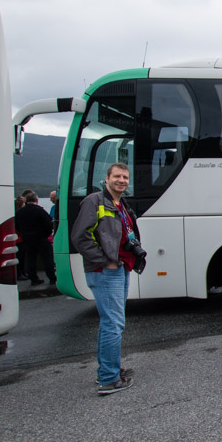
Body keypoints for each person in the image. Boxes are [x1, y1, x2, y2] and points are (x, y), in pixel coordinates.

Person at [70, 163, 145, 395]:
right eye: (117, 176)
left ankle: (108, 370)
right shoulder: (95, 201)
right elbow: (80, 237)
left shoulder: (119, 204)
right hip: (106, 271)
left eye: (125, 177)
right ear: (107, 178)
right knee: (114, 324)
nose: (121, 180)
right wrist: (104, 261)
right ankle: (109, 379)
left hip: (120, 268)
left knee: (109, 323)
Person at [15, 191, 56, 286]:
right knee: (47, 258)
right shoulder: (40, 210)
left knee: (30, 258)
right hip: (41, 237)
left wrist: (24, 233)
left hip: (27, 238)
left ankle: (33, 278)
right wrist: (46, 234)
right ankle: (52, 277)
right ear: (36, 200)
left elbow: (16, 226)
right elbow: (48, 223)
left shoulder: (19, 212)